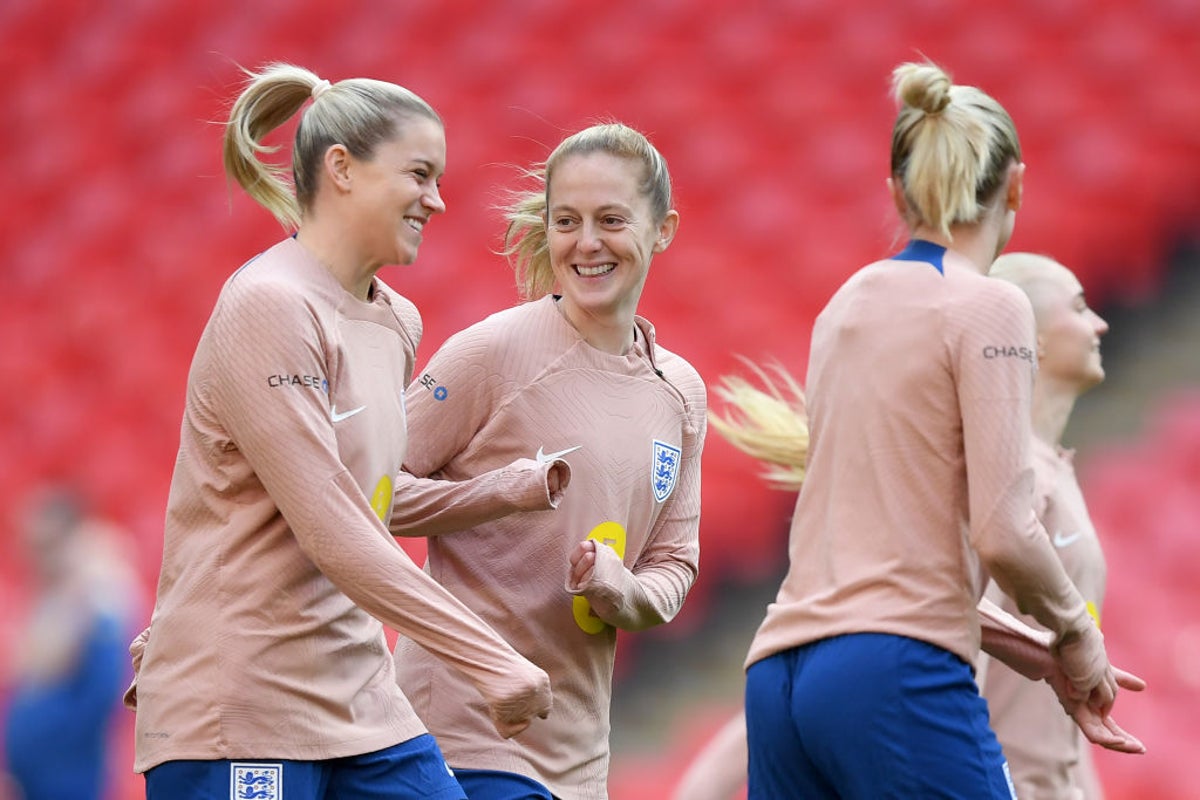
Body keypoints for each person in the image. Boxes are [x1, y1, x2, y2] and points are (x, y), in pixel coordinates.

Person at [124, 63, 554, 800]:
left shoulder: (397, 320)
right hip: (244, 708)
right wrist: (489, 657)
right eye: (420, 174)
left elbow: (365, 498)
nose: (439, 200)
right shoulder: (271, 304)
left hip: (361, 704)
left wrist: (502, 492)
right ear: (343, 169)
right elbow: (332, 527)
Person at [735, 60, 1139, 799]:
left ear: (897, 191)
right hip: (897, 675)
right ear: (1015, 184)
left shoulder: (844, 306)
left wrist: (1035, 648)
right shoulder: (989, 305)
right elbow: (1006, 531)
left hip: (778, 677)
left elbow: (884, 564)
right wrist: (1077, 637)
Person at [387, 121, 707, 800]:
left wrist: (627, 593)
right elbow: (366, 494)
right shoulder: (494, 353)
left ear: (663, 229)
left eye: (611, 219)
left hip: (580, 764)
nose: (587, 242)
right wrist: (498, 492)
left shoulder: (679, 393)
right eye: (568, 220)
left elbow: (675, 563)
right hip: (462, 744)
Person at [976, 252, 1115, 799]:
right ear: (1027, 336)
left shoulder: (1049, 470)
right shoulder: (1015, 478)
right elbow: (950, 628)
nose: (1100, 322)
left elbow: (1061, 704)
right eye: (1079, 306)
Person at [2, 486, 139, 800]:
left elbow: (102, 696)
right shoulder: (47, 597)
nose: (34, 556)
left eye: (44, 545)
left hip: (69, 773)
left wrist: (51, 743)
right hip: (33, 772)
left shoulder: (101, 601)